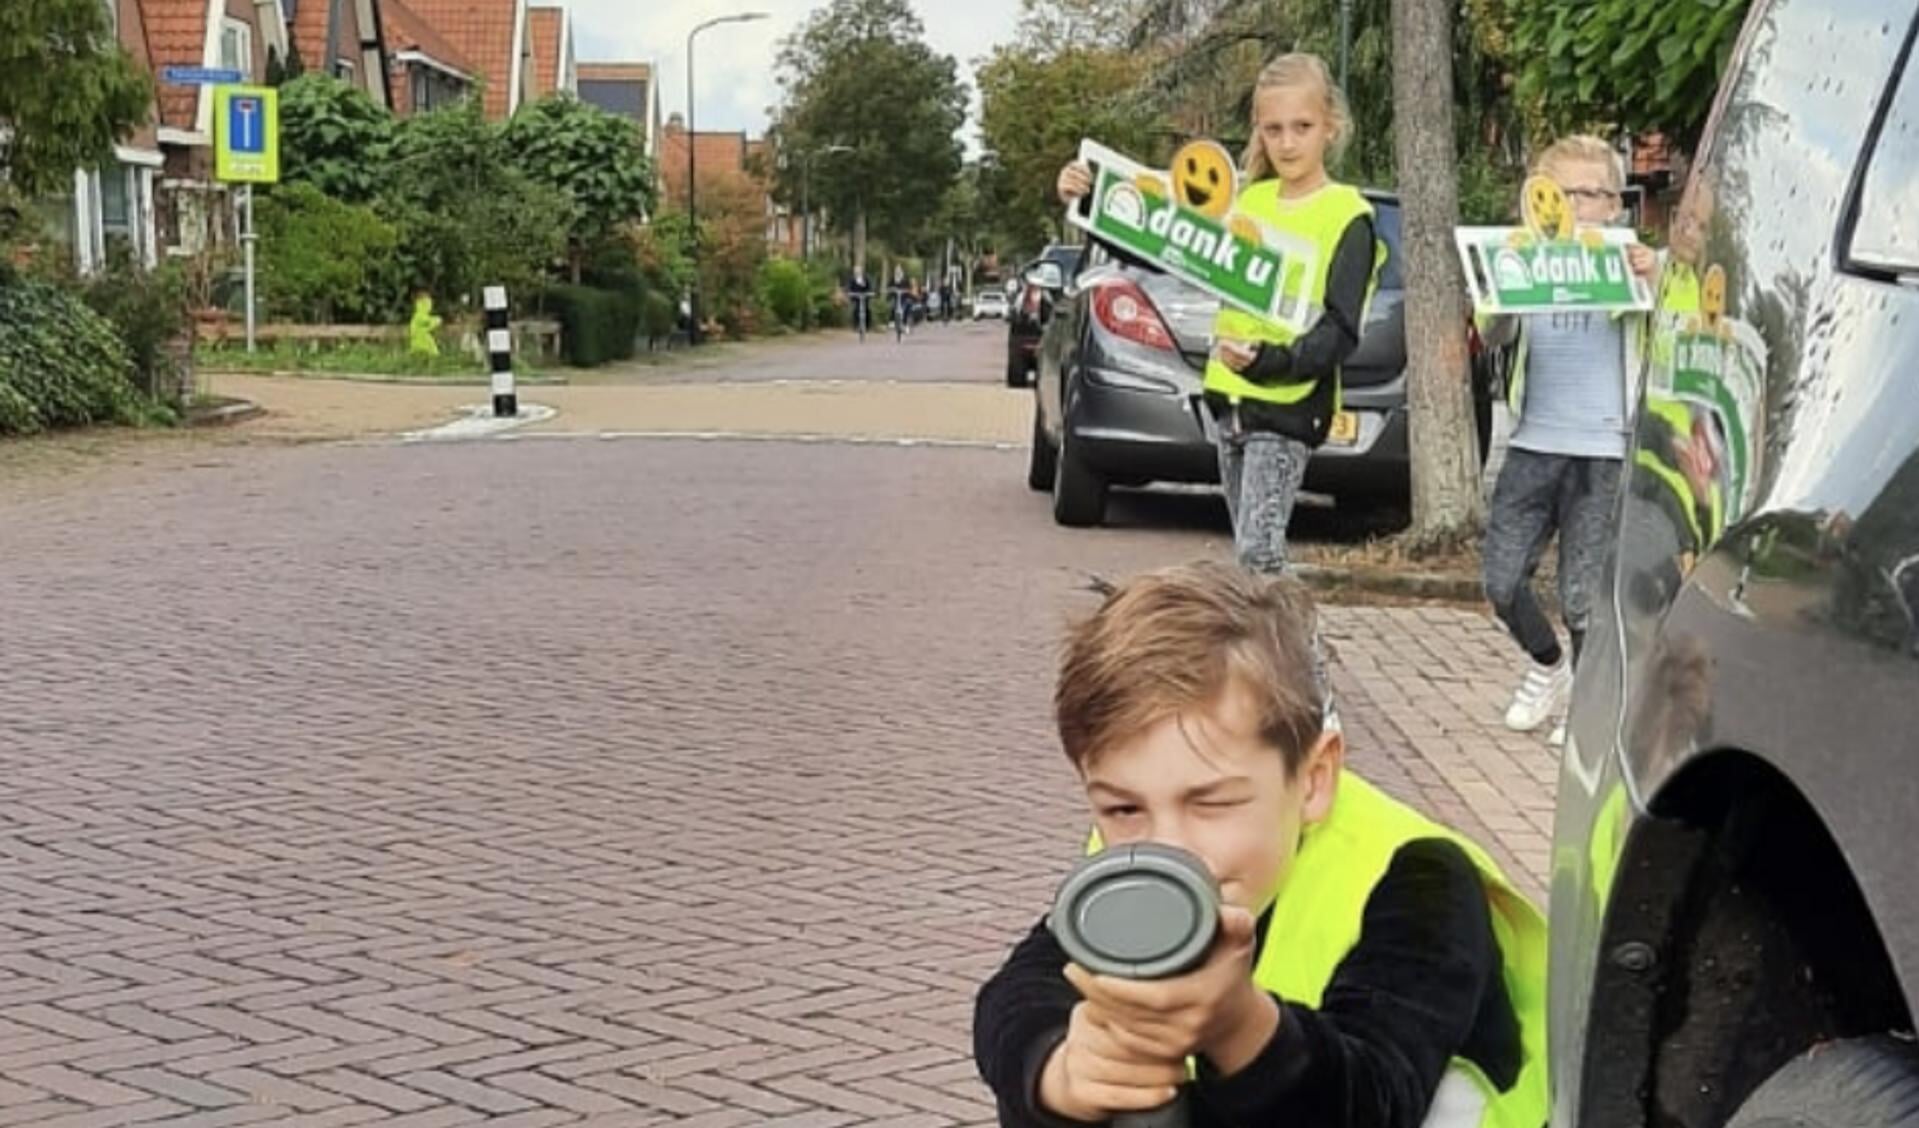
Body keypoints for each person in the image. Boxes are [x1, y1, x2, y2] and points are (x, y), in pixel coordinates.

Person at [973, 561, 1547, 1128]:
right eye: (1123, 807)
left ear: (1314, 778)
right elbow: (1019, 993)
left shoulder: (1419, 880)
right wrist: (1059, 1072)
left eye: (1212, 803)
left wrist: (1239, 1027)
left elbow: (1379, 1093)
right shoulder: (1128, 866)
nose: (1170, 849)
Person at [1058, 53, 1383, 576]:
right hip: (1228, 402)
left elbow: (1341, 330)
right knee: (1251, 556)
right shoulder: (1247, 204)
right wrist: (1089, 197)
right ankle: (1285, 656)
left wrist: (1270, 361)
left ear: (1331, 128)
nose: (1287, 142)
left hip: (1287, 408)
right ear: (1259, 131)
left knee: (1259, 556)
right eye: (1274, 129)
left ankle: (1308, 660)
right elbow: (1164, 245)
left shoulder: (1348, 216)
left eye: (1302, 127)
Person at [1475, 136, 1660, 743]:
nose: (1579, 205)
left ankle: (1586, 700)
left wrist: (1655, 280)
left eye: (1594, 193)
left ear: (1615, 205)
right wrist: (1499, 289)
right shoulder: (1523, 254)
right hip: (1534, 442)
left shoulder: (1631, 263)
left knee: (1582, 594)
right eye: (1565, 192)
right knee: (1502, 580)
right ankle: (1547, 664)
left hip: (1604, 450)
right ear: (1539, 199)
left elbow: (1672, 323)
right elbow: (1495, 333)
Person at [847, 266, 874, 335]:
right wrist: (850, 293)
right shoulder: (852, 279)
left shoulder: (866, 278)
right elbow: (849, 287)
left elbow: (870, 287)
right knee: (856, 310)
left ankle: (867, 326)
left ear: (861, 271)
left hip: (865, 297)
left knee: (867, 310)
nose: (857, 272)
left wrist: (870, 292)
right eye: (856, 271)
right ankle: (856, 325)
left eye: (858, 271)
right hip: (856, 297)